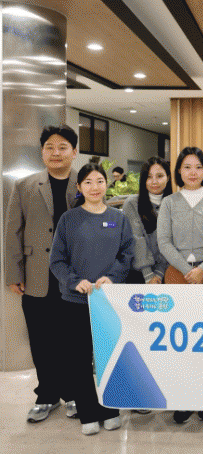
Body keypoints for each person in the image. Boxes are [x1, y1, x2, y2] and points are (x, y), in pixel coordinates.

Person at [49, 163, 134, 435]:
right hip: (75, 301)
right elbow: (57, 260)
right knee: (79, 360)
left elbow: (127, 254)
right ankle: (88, 413)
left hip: (108, 301)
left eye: (99, 181)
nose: (94, 187)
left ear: (106, 184)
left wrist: (112, 277)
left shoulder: (119, 218)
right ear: (79, 187)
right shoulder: (68, 219)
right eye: (87, 182)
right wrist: (74, 281)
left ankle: (110, 410)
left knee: (110, 357)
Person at [4, 125, 79, 422]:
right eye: (49, 147)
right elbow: (13, 231)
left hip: (75, 277)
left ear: (74, 152)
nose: (55, 152)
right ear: (42, 151)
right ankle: (46, 395)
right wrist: (14, 273)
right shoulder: (24, 185)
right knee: (41, 339)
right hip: (37, 275)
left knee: (73, 340)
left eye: (62, 147)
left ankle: (73, 393)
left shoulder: (86, 182)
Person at [157, 147, 203, 424]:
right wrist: (188, 271)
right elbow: (164, 242)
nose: (193, 172)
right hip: (178, 276)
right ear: (179, 171)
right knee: (181, 341)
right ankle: (184, 398)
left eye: (198, 167)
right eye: (187, 167)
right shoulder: (169, 203)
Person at [122, 157, 173, 285]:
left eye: (160, 176)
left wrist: (160, 272)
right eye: (149, 177)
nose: (154, 181)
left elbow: (172, 242)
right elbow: (136, 239)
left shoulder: (175, 205)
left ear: (168, 177)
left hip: (166, 273)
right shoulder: (132, 204)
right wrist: (149, 275)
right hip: (138, 274)